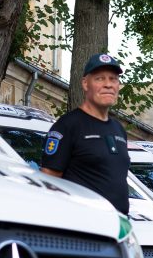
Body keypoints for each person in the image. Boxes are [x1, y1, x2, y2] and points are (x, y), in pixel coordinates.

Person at [40, 53, 130, 214]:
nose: (108, 85)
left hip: (117, 228)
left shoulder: (118, 129)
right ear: (85, 83)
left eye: (113, 79)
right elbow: (49, 181)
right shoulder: (67, 126)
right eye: (100, 79)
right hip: (83, 225)